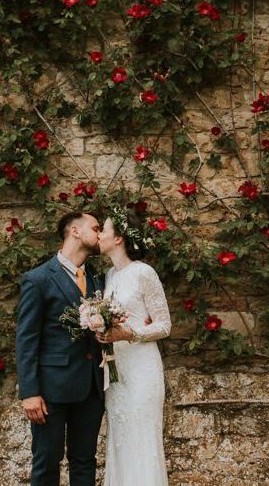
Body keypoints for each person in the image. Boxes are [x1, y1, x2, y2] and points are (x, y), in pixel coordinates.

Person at [16, 211, 105, 486]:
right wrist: (30, 393)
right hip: (51, 390)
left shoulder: (97, 280)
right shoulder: (38, 279)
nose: (100, 234)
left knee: (85, 462)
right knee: (46, 462)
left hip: (90, 386)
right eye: (95, 228)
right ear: (75, 232)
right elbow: (27, 338)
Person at [96, 206, 171, 486]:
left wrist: (129, 333)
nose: (99, 234)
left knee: (141, 439)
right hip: (117, 372)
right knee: (121, 440)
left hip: (141, 368)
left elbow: (164, 325)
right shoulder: (110, 277)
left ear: (119, 238)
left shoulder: (144, 273)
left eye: (103, 229)